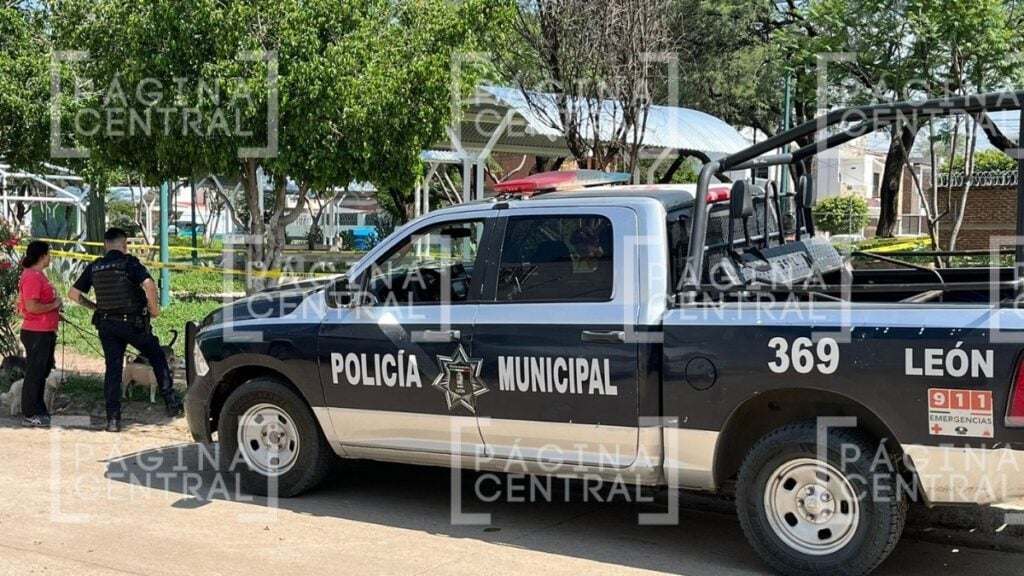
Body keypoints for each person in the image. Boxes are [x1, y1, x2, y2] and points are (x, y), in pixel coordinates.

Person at [68, 228, 181, 432]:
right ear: (125, 245)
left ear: (105, 245)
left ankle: (113, 419)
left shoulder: (95, 267)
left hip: (107, 325)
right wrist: (154, 310)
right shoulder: (130, 264)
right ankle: (172, 403)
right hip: (134, 325)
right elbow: (149, 285)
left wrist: (95, 307)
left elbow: (73, 294)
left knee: (113, 369)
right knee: (157, 356)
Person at [17, 241, 61, 428]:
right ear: (42, 255)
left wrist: (55, 311)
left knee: (42, 372)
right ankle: (30, 413)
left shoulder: (39, 275)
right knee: (35, 373)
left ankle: (39, 410)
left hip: (45, 330)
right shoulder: (32, 277)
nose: (50, 257)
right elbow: (32, 306)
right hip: (36, 332)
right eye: (49, 253)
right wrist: (54, 305)